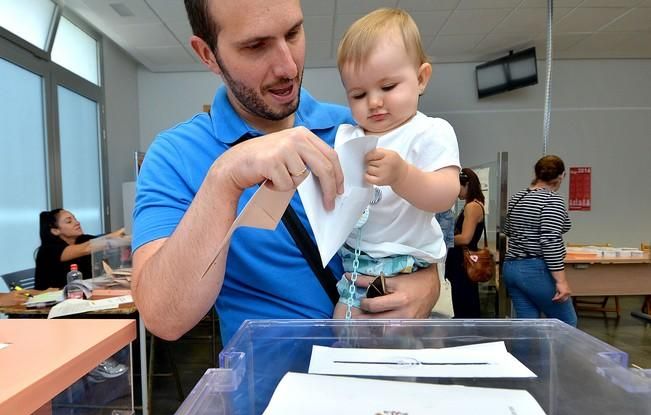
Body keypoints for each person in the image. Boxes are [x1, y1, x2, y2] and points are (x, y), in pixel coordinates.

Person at [131, 0, 442, 346]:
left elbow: (415, 230)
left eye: (293, 33)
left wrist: (429, 283)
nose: (288, 66)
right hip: (268, 390)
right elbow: (164, 318)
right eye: (256, 45)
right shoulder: (177, 156)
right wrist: (225, 177)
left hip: (375, 379)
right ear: (208, 54)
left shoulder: (358, 127)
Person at [331, 9, 460, 319]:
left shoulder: (429, 131)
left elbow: (445, 194)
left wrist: (402, 175)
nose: (374, 102)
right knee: (342, 328)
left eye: (387, 88)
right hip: (355, 263)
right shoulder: (347, 137)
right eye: (359, 94)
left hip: (405, 265)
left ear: (420, 78)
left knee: (395, 338)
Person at [502, 155, 577, 326]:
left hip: (511, 268)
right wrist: (561, 281)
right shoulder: (552, 201)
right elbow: (550, 241)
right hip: (535, 269)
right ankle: (557, 354)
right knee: (565, 323)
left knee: (528, 326)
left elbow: (507, 230)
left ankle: (523, 355)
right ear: (561, 176)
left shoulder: (517, 198)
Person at [34, 209, 125, 290]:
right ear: (55, 231)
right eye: (69, 221)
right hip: (50, 300)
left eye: (75, 219)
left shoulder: (83, 239)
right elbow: (87, 248)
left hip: (84, 295)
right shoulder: (47, 250)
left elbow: (102, 243)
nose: (77, 222)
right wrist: (112, 236)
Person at [445, 168, 485, 318]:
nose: (456, 191)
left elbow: (466, 238)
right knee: (465, 302)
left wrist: (444, 239)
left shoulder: (472, 207)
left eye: (458, 187)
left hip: (463, 262)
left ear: (466, 184)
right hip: (462, 261)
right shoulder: (474, 204)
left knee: (464, 305)